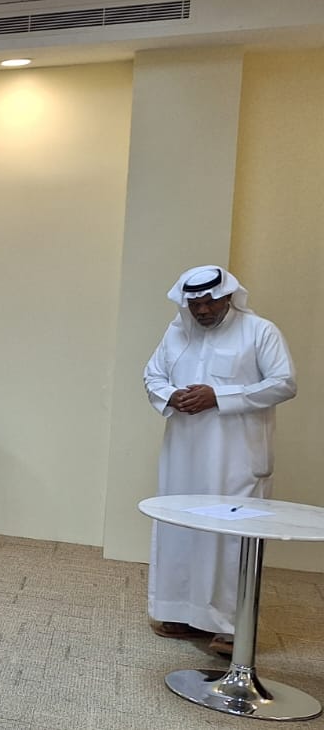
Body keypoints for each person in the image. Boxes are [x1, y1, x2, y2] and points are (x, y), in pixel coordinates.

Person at [144, 265, 296, 656]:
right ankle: (179, 612)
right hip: (184, 453)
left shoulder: (259, 331)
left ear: (229, 296)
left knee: (231, 538)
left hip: (237, 458)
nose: (203, 310)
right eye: (195, 303)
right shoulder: (176, 333)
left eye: (210, 301)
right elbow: (152, 375)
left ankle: (230, 627)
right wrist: (171, 395)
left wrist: (220, 397)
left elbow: (283, 383)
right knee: (182, 528)